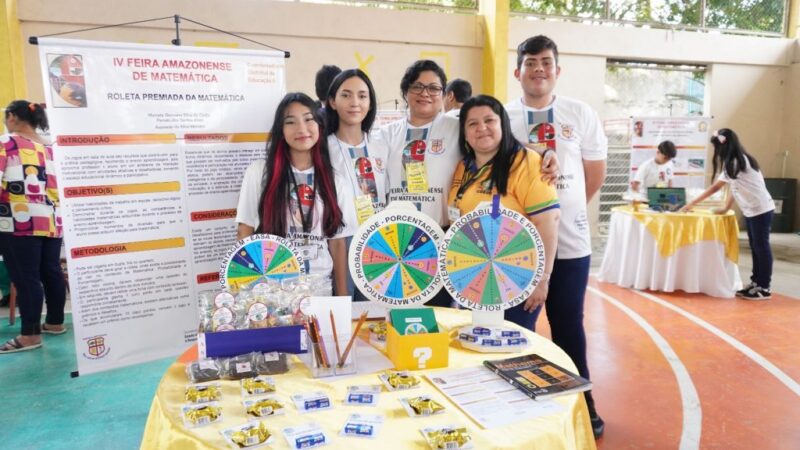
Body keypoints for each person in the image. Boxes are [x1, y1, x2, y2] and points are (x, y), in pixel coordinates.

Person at [505, 35, 608, 438]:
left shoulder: (579, 113)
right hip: (514, 246)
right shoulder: (503, 115)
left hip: (570, 244)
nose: (539, 69)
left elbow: (594, 173)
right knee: (518, 328)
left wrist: (559, 211)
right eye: (531, 62)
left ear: (557, 70)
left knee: (568, 325)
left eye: (546, 62)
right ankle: (519, 407)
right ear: (518, 71)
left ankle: (584, 404)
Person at [449, 95, 560, 325]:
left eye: (489, 120)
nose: (482, 128)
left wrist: (542, 280)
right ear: (465, 133)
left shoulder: (525, 162)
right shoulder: (464, 167)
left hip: (516, 276)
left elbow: (549, 221)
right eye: (472, 124)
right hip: (472, 274)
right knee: (476, 343)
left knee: (510, 349)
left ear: (503, 125)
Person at [236, 93, 352, 296]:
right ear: (281, 130)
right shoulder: (260, 172)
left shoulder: (335, 180)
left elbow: (338, 242)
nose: (301, 129)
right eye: (290, 122)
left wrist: (342, 298)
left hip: (320, 290)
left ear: (319, 126)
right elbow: (245, 230)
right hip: (272, 291)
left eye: (308, 119)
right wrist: (243, 293)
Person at [380, 60, 461, 307]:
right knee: (397, 313)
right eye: (417, 86)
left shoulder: (457, 128)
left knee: (438, 314)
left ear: (445, 95)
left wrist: (545, 154)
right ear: (405, 92)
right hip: (395, 239)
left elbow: (500, 140)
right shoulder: (385, 133)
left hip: (440, 237)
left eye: (433, 88)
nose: (425, 93)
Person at [0, 100, 67, 354]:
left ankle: (29, 335)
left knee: (25, 277)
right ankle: (55, 322)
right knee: (50, 272)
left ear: (11, 117)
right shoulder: (52, 147)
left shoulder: (6, 143)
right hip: (52, 218)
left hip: (18, 220)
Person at [681, 128, 775, 300]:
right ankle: (756, 282)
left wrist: (692, 203)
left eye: (716, 147)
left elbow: (716, 187)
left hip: (761, 210)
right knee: (756, 247)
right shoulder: (737, 161)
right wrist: (724, 208)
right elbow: (734, 186)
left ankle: (764, 287)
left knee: (762, 248)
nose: (716, 152)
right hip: (752, 210)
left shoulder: (736, 161)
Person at [325, 69, 391, 298]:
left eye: (362, 96)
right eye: (346, 95)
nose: (355, 102)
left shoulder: (382, 144)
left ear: (370, 102)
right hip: (342, 244)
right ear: (332, 101)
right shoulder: (323, 149)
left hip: (381, 243)